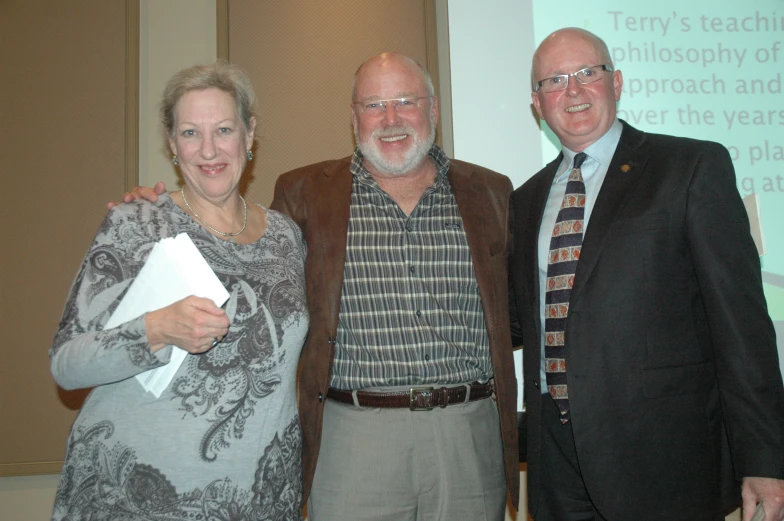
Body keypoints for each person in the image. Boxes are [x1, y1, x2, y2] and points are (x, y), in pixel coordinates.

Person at [116, 52, 519, 521]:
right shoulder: (304, 193)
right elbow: (239, 261)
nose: (390, 119)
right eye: (373, 105)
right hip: (352, 441)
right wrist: (170, 211)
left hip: (468, 435)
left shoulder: (490, 193)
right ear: (353, 118)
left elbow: (516, 312)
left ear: (433, 110)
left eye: (406, 101)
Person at [509, 27, 784, 521]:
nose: (572, 90)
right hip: (557, 461)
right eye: (554, 80)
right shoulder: (525, 200)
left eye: (587, 73)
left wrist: (765, 458)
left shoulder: (690, 166)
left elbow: (741, 324)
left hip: (665, 460)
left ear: (616, 81)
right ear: (537, 103)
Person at [51, 62, 308, 520]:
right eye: (190, 133)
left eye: (224, 129)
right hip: (137, 499)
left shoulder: (288, 238)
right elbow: (67, 364)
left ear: (250, 135)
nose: (209, 149)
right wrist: (156, 329)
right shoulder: (136, 224)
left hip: (256, 501)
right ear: (171, 143)